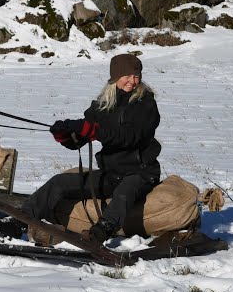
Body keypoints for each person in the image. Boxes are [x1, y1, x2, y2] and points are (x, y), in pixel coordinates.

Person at [20, 53, 161, 243]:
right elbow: (81, 139)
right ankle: (19, 220)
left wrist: (93, 130)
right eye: (127, 76)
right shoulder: (102, 105)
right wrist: (65, 135)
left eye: (136, 76)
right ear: (115, 76)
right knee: (59, 183)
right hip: (111, 174)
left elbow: (129, 137)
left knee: (123, 194)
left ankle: (98, 234)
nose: (132, 81)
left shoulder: (146, 104)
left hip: (141, 173)